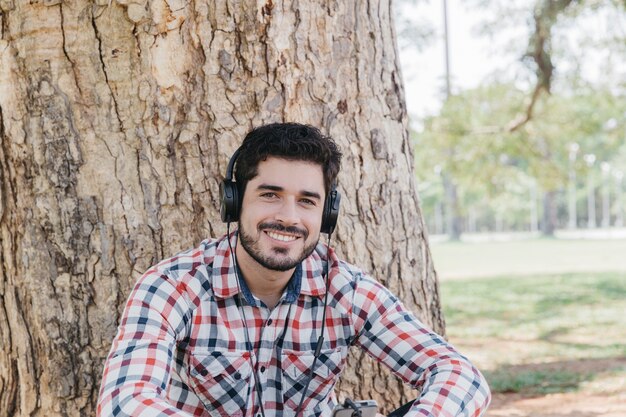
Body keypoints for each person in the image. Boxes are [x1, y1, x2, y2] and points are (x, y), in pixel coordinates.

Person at [97, 122, 491, 417]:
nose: (288, 217)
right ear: (233, 202)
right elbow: (125, 401)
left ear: (327, 213)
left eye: (306, 201)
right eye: (270, 195)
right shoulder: (172, 285)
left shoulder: (345, 288)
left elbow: (460, 376)